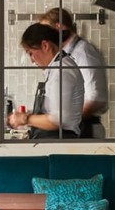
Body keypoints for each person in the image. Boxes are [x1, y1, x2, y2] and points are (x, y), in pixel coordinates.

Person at [40, 7, 108, 138]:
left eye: (46, 32)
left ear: (59, 27)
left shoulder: (83, 51)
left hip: (86, 130)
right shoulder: (65, 55)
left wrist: (62, 118)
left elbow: (96, 98)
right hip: (76, 128)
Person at [8, 23, 84, 139]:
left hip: (59, 141)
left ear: (45, 46)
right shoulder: (57, 68)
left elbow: (57, 119)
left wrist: (25, 119)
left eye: (31, 53)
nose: (32, 60)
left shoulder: (61, 71)